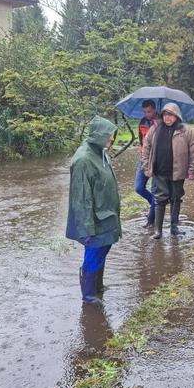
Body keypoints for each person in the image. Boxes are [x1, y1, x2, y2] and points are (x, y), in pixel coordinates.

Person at [66, 116, 122, 305]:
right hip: (95, 219)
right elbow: (81, 199)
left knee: (103, 250)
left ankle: (98, 286)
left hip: (106, 215)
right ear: (98, 135)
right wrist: (86, 228)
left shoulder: (101, 152)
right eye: (109, 135)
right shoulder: (83, 160)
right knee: (94, 253)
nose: (112, 139)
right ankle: (88, 295)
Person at [142, 102, 194, 239]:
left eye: (171, 115)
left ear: (177, 116)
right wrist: (146, 166)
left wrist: (192, 170)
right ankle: (158, 230)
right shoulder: (155, 129)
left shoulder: (185, 130)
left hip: (178, 173)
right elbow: (146, 147)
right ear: (162, 116)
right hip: (160, 172)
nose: (168, 118)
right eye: (166, 114)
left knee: (176, 199)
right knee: (160, 200)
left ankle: (174, 227)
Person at [135, 99, 158, 228]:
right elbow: (141, 139)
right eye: (144, 112)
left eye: (149, 111)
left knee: (155, 190)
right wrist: (141, 150)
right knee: (138, 188)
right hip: (144, 159)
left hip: (157, 161)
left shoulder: (162, 121)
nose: (147, 114)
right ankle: (153, 204)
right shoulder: (142, 122)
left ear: (154, 109)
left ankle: (151, 220)